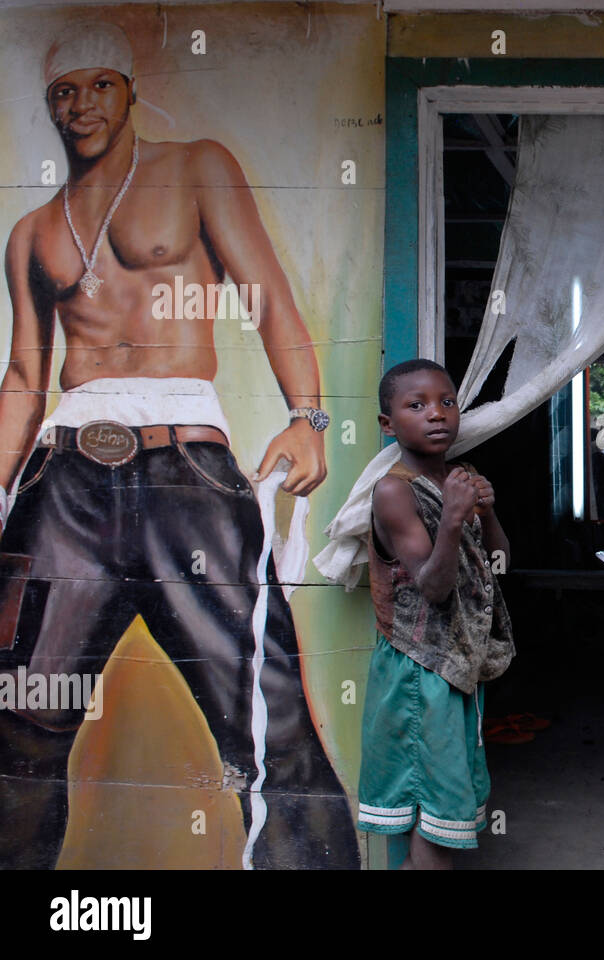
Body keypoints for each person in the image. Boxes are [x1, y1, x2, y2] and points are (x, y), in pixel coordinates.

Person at [0, 22, 357, 868]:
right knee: (19, 720)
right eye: (63, 90)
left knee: (267, 717)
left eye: (98, 86)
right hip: (62, 479)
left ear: (127, 92)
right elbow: (23, 375)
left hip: (186, 468)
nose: (79, 104)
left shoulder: (196, 164)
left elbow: (266, 293)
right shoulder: (31, 232)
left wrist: (308, 416)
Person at [357, 359, 515, 869]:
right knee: (435, 821)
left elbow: (499, 564)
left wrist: (485, 515)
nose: (437, 414)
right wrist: (451, 518)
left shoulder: (460, 479)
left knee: (445, 813)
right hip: (418, 670)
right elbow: (434, 588)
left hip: (455, 668)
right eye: (417, 405)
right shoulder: (393, 491)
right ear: (388, 424)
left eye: (447, 402)